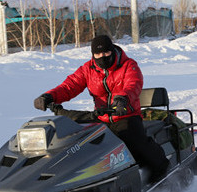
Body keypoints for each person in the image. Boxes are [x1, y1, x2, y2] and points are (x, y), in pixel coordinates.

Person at [33, 35, 169, 182]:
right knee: (81, 148)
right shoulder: (88, 69)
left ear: (112, 51)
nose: (102, 57)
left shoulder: (128, 65)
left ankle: (162, 170)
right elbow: (70, 86)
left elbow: (133, 84)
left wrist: (123, 98)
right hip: (100, 117)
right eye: (97, 54)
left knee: (136, 143)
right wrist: (49, 97)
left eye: (105, 53)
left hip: (125, 115)